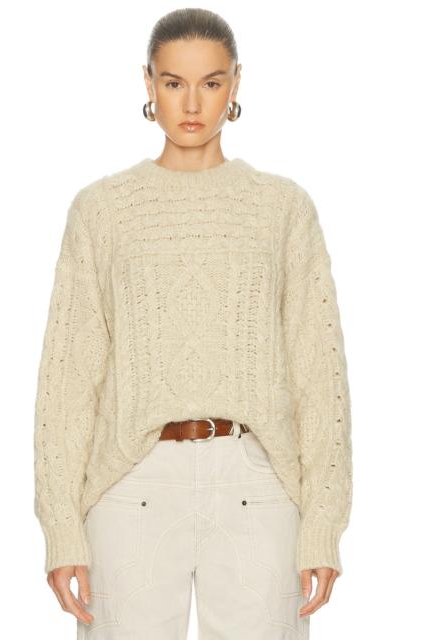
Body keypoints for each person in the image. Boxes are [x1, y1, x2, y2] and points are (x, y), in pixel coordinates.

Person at [33, 8, 353, 639]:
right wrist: (61, 527)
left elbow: (320, 373)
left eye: (210, 82)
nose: (191, 103)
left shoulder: (282, 208)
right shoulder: (101, 210)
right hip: (131, 482)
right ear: (148, 83)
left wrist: (323, 522)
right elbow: (68, 378)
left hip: (257, 482)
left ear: (236, 84)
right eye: (173, 82)